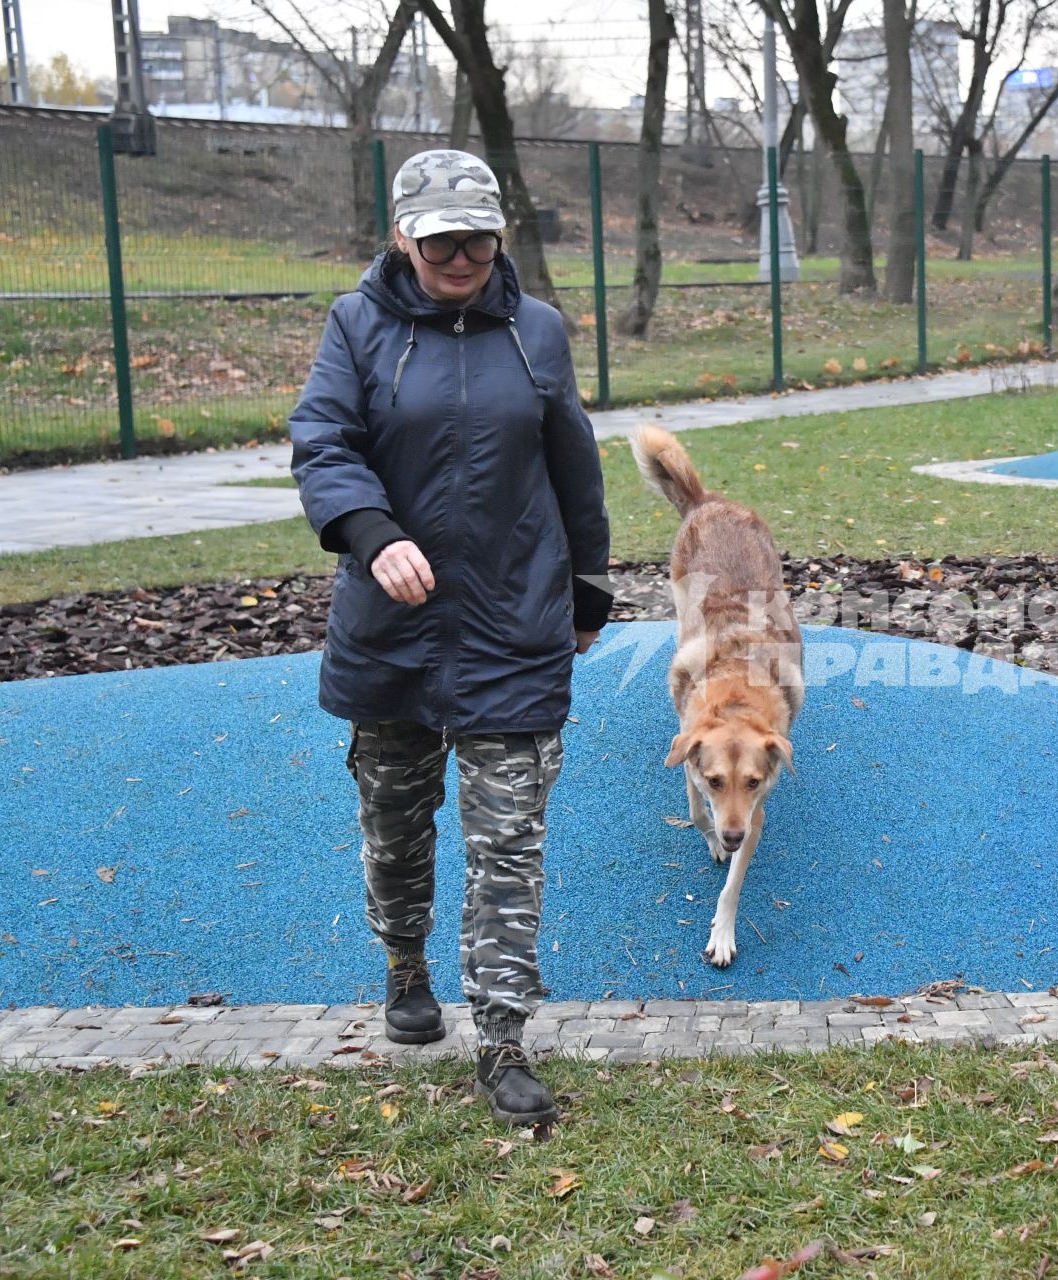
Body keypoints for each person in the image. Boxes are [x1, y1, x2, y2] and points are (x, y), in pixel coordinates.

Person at [289, 150, 612, 1127]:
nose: (460, 253)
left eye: (475, 235)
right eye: (439, 239)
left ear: (498, 233)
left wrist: (588, 591)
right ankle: (403, 960)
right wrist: (371, 534)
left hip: (514, 622)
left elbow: (574, 465)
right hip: (391, 629)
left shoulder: (537, 332)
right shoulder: (358, 325)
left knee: (509, 837)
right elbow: (323, 440)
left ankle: (504, 1035)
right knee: (396, 824)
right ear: (402, 238)